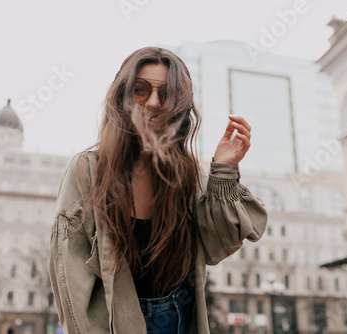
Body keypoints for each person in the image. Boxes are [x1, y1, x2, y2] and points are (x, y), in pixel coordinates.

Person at [48, 46, 268, 333]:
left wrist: (224, 171)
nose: (153, 102)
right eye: (141, 90)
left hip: (181, 317)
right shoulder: (87, 169)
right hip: (116, 320)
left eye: (165, 94)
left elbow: (218, 246)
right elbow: (70, 270)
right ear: (122, 97)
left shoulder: (189, 173)